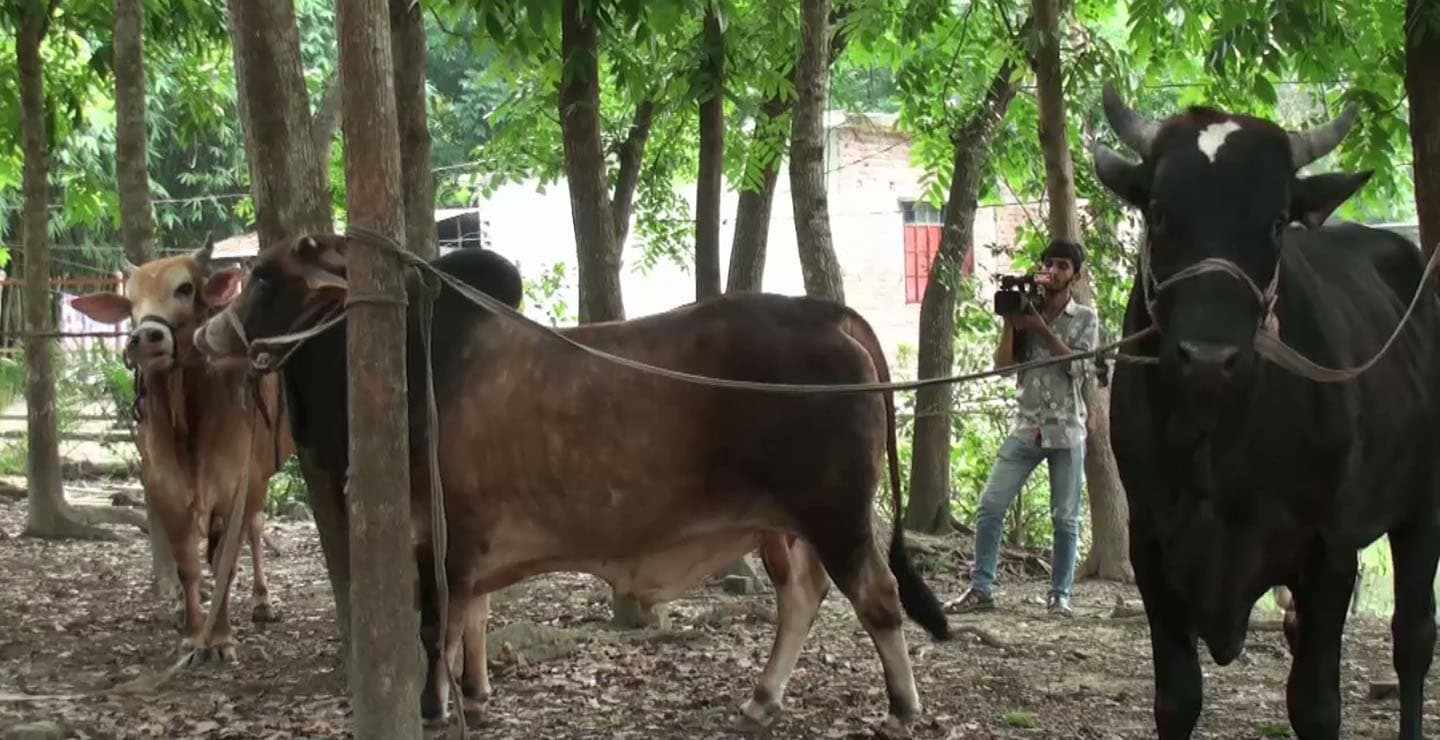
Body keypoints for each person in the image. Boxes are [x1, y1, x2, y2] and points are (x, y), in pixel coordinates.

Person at [948, 239, 1099, 618]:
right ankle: (982, 588)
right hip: (1026, 425)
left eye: (1063, 265)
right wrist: (1012, 325)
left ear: (1075, 275)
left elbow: (1082, 369)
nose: (1054, 271)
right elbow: (1002, 367)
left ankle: (1060, 596)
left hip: (1067, 429)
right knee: (990, 506)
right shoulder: (1027, 307)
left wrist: (1042, 329)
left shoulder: (1085, 318)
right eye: (1049, 264)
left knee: (1065, 518)